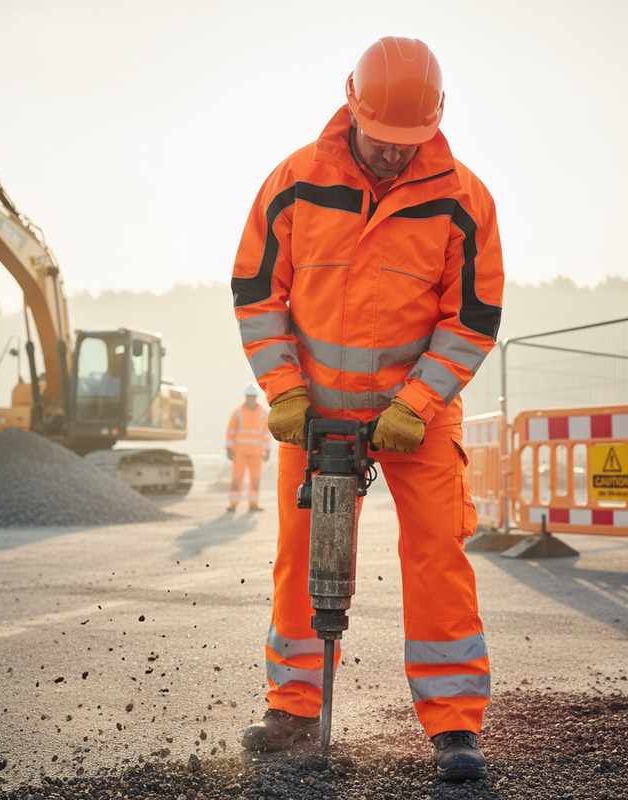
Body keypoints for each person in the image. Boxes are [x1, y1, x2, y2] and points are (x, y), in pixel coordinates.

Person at [231, 36, 504, 781]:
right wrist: (284, 390)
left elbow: (472, 317)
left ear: (435, 123)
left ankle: (453, 726)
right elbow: (259, 295)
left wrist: (416, 402)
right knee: (300, 562)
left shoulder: (462, 199)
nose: (392, 157)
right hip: (312, 412)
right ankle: (292, 709)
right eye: (382, 141)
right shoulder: (294, 182)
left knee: (437, 554)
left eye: (406, 144)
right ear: (353, 107)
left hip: (415, 417)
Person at [225, 382, 272, 512]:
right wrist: (229, 448)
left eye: (253, 396)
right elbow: (231, 431)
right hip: (239, 452)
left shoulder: (263, 413)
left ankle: (253, 504)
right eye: (249, 396)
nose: (251, 398)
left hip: (257, 453)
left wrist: (268, 449)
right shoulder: (238, 412)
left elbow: (266, 432)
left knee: (255, 479)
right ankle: (233, 504)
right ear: (246, 396)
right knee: (236, 478)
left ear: (256, 397)